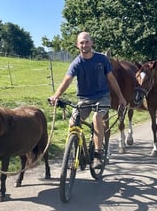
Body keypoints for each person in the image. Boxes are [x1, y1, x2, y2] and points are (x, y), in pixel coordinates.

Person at [49, 32, 127, 169]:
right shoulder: (76, 63)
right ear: (77, 45)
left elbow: (111, 79)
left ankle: (98, 155)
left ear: (91, 43)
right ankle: (78, 153)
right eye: (81, 43)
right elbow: (67, 80)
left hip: (102, 97)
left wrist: (121, 97)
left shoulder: (102, 59)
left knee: (97, 118)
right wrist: (56, 95)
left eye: (86, 42)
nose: (84, 45)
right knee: (73, 121)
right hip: (84, 99)